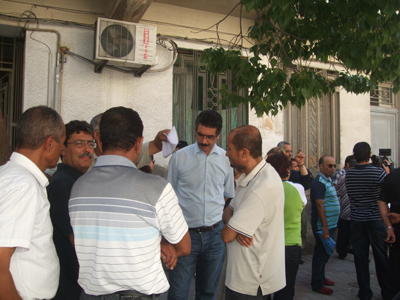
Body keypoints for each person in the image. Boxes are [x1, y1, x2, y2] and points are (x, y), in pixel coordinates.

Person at [69, 106, 191, 299]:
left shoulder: (78, 188)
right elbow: (184, 247)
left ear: (98, 141)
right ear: (139, 142)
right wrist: (157, 243)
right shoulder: (157, 188)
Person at [167, 110, 235, 300]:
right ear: (194, 131)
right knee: (178, 294)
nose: (204, 141)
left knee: (207, 293)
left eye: (210, 137)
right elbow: (169, 197)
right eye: (200, 135)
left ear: (218, 135)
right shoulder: (179, 158)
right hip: (184, 234)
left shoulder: (225, 160)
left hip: (215, 237)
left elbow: (227, 195)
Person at [0, 106, 65, 300]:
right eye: (62, 142)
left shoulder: (10, 175)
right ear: (50, 143)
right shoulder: (23, 185)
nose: (63, 149)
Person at [222, 125, 285, 299]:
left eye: (229, 148)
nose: (226, 153)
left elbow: (227, 236)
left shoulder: (262, 186)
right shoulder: (251, 176)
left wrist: (233, 228)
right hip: (243, 276)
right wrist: (235, 226)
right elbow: (227, 212)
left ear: (244, 153)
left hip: (250, 282)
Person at [47, 120, 95, 300]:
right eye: (79, 143)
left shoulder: (78, 181)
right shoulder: (64, 183)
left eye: (90, 144)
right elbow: (76, 239)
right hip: (66, 282)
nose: (87, 149)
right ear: (63, 149)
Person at [345, 142, 391, 300]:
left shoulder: (348, 174)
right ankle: (387, 291)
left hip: (357, 219)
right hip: (375, 218)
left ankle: (364, 293)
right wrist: (387, 172)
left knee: (360, 258)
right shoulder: (378, 172)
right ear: (369, 154)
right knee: (381, 257)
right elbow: (386, 193)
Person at [266, 153, 305, 300]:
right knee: (286, 290)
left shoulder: (264, 189)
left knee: (264, 288)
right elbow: (303, 206)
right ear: (288, 169)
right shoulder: (298, 189)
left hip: (269, 245)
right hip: (292, 245)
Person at [90, 112, 169, 169]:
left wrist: (161, 136)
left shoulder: (129, 152)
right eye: (108, 129)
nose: (114, 133)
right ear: (96, 135)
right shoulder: (86, 159)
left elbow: (156, 145)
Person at [310, 155, 340, 295]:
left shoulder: (328, 180)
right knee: (321, 253)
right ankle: (317, 283)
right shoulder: (319, 182)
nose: (333, 168)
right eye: (330, 166)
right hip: (323, 225)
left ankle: (321, 277)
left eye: (334, 165)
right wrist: (325, 227)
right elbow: (320, 205)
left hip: (331, 223)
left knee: (325, 252)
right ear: (321, 166)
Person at [379, 167, 399, 299]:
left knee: (395, 269)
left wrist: (388, 227)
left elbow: (381, 201)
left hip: (395, 231)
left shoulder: (393, 176)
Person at [335, 155, 356, 260]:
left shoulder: (343, 177)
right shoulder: (341, 176)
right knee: (345, 233)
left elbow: (337, 191)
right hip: (349, 210)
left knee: (345, 233)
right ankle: (343, 251)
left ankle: (344, 251)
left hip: (347, 210)